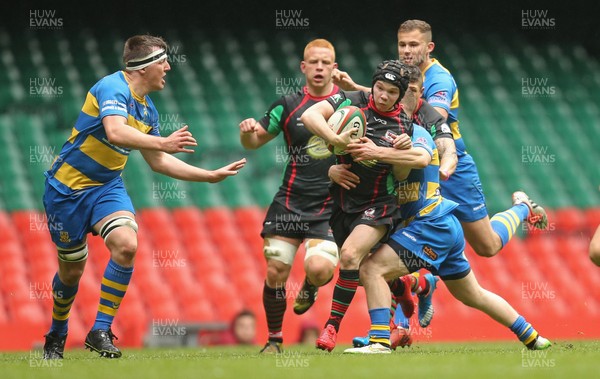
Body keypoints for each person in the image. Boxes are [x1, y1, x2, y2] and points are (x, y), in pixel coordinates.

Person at [42, 34, 246, 359]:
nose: (167, 68)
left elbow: (159, 161)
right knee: (71, 272)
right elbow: (115, 131)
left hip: (107, 187)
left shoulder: (148, 111)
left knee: (126, 244)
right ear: (144, 66)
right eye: (162, 62)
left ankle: (100, 329)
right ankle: (58, 331)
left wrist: (208, 176)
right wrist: (163, 142)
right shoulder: (112, 87)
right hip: (66, 191)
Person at [333, 19, 548, 259]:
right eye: (402, 44)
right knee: (394, 239)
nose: (406, 51)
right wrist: (358, 89)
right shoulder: (401, 73)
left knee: (487, 246)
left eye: (414, 45)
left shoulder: (439, 79)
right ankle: (414, 289)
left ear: (429, 47)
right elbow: (395, 103)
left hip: (448, 164)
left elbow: (430, 118)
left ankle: (521, 207)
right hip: (410, 159)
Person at [341, 117, 552, 354]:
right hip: (438, 225)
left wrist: (377, 151)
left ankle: (380, 340)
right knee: (473, 294)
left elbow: (418, 160)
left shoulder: (414, 134)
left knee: (372, 270)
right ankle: (532, 336)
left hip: (430, 225)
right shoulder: (391, 134)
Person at [301, 60, 413, 352]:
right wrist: (333, 147)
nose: (383, 95)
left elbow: (401, 176)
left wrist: (397, 153)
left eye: (391, 92)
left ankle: (331, 328)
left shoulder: (404, 125)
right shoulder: (351, 101)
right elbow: (311, 115)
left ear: (400, 96)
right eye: (379, 88)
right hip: (342, 201)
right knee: (362, 272)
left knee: (349, 257)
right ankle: (404, 287)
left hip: (379, 204)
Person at [238, 38, 341, 353]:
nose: (320, 68)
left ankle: (310, 284)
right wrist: (246, 132)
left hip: (330, 206)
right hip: (290, 202)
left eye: (326, 63)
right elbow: (254, 142)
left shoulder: (351, 104)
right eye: (314, 62)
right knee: (276, 270)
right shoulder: (287, 103)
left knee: (321, 269)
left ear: (334, 68)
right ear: (304, 67)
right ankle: (274, 340)